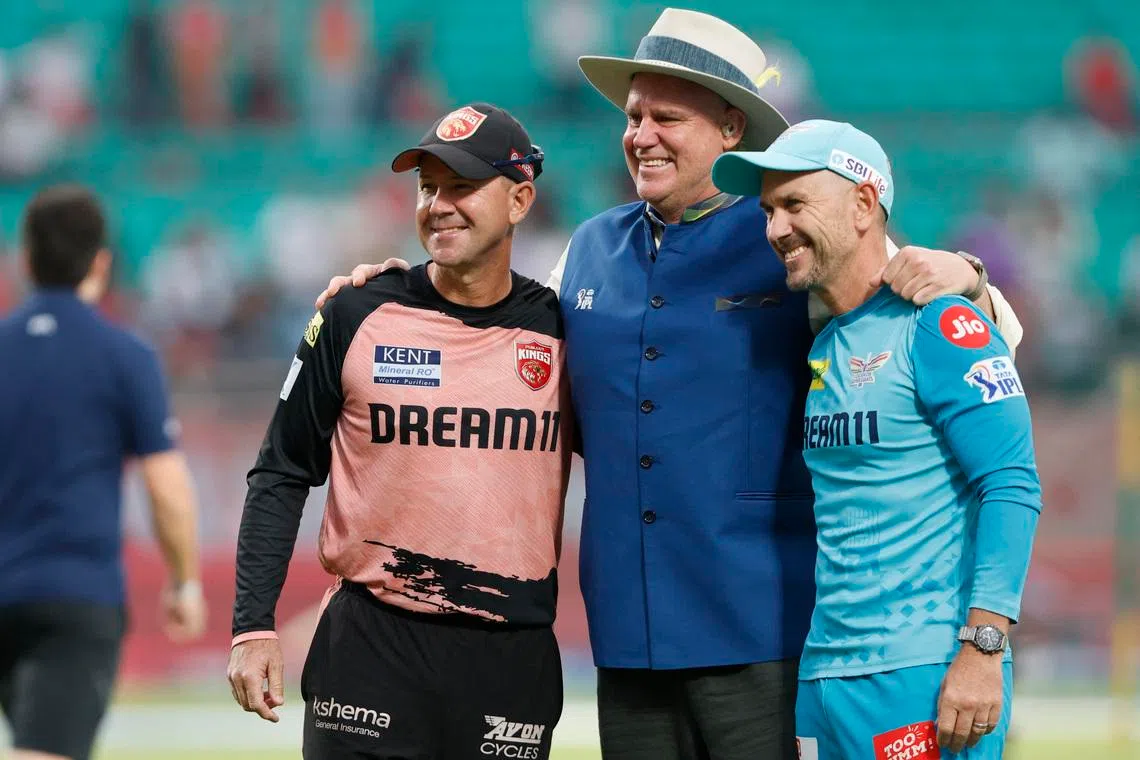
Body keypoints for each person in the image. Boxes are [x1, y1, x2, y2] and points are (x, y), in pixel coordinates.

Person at [316, 9, 1026, 758]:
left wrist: (969, 278)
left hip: (764, 636)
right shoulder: (590, 248)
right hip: (627, 643)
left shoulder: (787, 235)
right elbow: (494, 337)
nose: (641, 134)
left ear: (729, 129)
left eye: (667, 117)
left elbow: (968, 337)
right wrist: (392, 294)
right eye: (633, 116)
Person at [227, 103, 572, 760]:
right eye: (428, 186)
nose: (439, 205)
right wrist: (252, 626)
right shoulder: (356, 312)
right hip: (369, 651)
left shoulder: (562, 331)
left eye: (463, 186)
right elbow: (281, 468)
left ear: (521, 198)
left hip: (510, 660)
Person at [712, 120, 1041, 758]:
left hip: (926, 674)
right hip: (825, 679)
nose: (775, 229)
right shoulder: (825, 335)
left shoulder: (940, 322)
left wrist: (984, 649)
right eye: (769, 211)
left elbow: (1012, 484)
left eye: (795, 204)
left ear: (864, 204)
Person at [0, 185, 206, 760]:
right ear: (101, 262)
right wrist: (183, 581)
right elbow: (166, 488)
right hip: (75, 594)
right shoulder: (125, 357)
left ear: (26, 258)